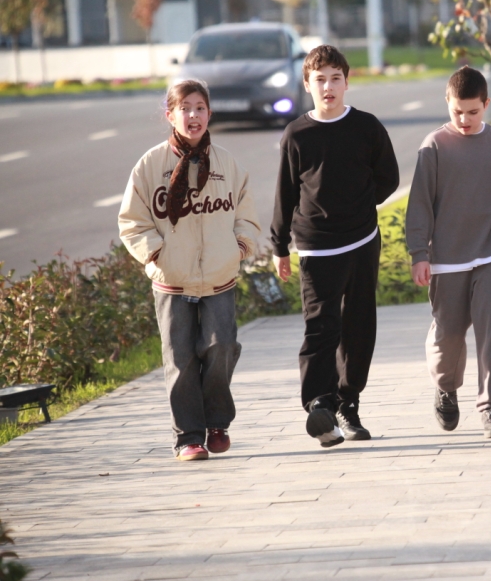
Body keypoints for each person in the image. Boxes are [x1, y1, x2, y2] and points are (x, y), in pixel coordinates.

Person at [119, 79, 261, 461]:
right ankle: (188, 438)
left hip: (219, 276)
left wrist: (239, 247)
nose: (193, 116)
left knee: (221, 347)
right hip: (172, 280)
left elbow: (247, 214)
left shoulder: (228, 164)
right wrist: (156, 254)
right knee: (180, 359)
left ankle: (217, 423)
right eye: (185, 109)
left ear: (209, 113)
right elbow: (132, 222)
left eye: (200, 108)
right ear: (170, 115)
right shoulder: (150, 165)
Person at [405, 66, 491, 439]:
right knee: (448, 335)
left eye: (473, 111)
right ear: (448, 103)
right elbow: (419, 205)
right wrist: (419, 253)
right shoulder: (434, 146)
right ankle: (445, 386)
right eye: (458, 111)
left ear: (486, 104)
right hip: (447, 257)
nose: (465, 119)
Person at [271, 45, 399, 448]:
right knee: (321, 327)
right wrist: (279, 246)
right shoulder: (297, 134)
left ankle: (348, 402)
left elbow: (389, 177)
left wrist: (359, 205)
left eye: (335, 78)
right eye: (320, 80)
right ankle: (319, 406)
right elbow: (285, 193)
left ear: (346, 82)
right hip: (316, 247)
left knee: (359, 328)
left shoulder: (366, 126)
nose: (328, 87)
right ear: (307, 84)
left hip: (361, 241)